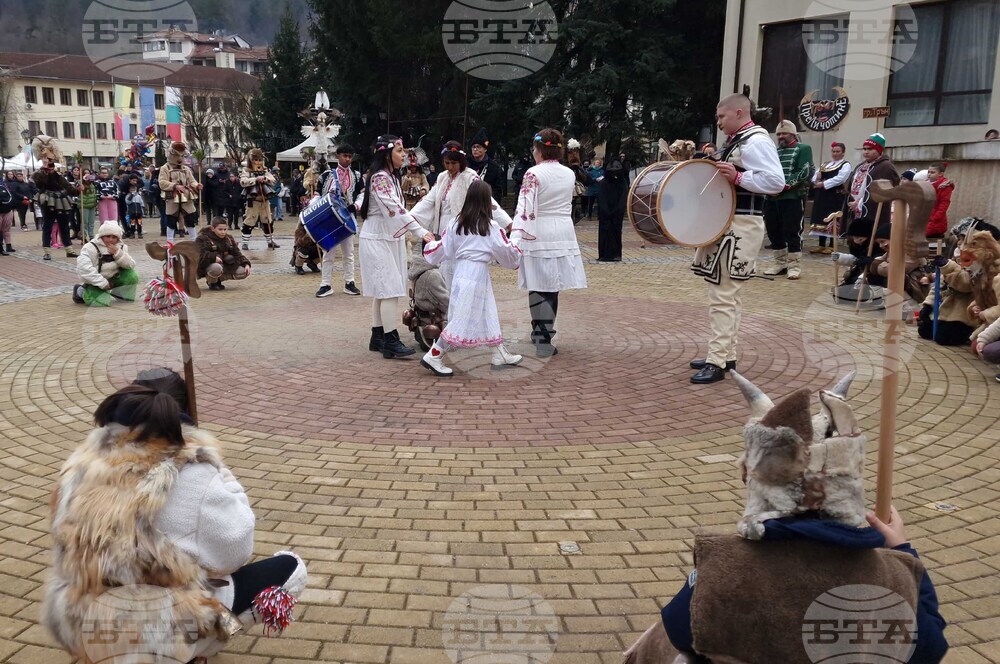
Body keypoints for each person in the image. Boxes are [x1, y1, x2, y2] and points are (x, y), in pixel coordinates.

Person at [626, 372, 948, 664]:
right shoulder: (890, 576)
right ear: (848, 483)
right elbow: (929, 648)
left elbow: (681, 630)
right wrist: (904, 553)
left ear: (757, 483)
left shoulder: (726, 567)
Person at [42, 368, 307, 663]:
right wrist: (224, 478)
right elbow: (235, 551)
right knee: (290, 568)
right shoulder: (195, 471)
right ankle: (187, 651)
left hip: (78, 619)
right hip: (153, 631)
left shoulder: (81, 459)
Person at [689, 94, 784, 383]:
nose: (718, 122)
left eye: (722, 117)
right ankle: (726, 355)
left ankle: (717, 361)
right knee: (727, 294)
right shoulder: (739, 140)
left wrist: (739, 178)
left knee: (723, 296)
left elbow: (775, 182)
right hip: (730, 224)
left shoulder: (756, 141)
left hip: (741, 225)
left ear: (739, 113)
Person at [420, 180, 523, 376]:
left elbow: (444, 248)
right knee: (462, 317)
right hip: (477, 273)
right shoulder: (490, 226)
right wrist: (518, 239)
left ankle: (499, 353)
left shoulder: (455, 223)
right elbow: (506, 251)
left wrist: (430, 245)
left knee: (486, 311)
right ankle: (434, 354)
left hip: (461, 272)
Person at [509, 128, 588, 357]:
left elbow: (525, 209)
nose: (533, 153)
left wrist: (515, 239)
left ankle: (542, 336)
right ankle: (543, 332)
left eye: (534, 148)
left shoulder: (533, 173)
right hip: (563, 231)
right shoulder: (568, 173)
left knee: (538, 284)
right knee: (553, 286)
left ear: (541, 149)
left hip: (539, 231)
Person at [357, 135, 435, 358]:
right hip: (378, 238)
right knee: (388, 289)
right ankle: (390, 339)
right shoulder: (380, 178)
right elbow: (396, 210)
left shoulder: (389, 177)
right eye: (400, 151)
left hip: (386, 237)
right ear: (386, 154)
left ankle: (378, 336)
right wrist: (421, 231)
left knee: (382, 290)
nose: (404, 155)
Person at [410, 140, 513, 288]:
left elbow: (486, 200)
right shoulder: (442, 177)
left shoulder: (470, 177)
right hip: (443, 229)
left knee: (459, 271)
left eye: (454, 163)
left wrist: (507, 223)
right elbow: (429, 200)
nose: (450, 167)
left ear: (461, 161)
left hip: (463, 229)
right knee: (445, 270)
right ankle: (447, 300)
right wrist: (410, 218)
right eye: (447, 163)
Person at [762, 120, 813, 280]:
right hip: (772, 197)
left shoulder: (803, 148)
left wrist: (784, 186)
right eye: (778, 134)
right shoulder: (775, 151)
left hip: (792, 196)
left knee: (792, 231)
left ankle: (794, 266)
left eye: (784, 133)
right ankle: (780, 264)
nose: (781, 136)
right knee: (773, 230)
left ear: (793, 134)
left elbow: (804, 171)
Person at [315, 143, 363, 298]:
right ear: (337, 156)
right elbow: (317, 195)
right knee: (328, 252)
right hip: (329, 219)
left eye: (350, 156)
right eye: (344, 156)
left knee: (349, 253)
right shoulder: (326, 175)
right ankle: (325, 284)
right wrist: (312, 207)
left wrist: (356, 205)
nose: (347, 159)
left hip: (348, 218)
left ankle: (350, 282)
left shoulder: (356, 176)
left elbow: (362, 194)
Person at [31, 135, 80, 260]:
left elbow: (68, 187)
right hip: (48, 202)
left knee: (64, 226)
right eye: (49, 166)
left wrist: (78, 190)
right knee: (47, 226)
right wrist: (44, 168)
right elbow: (39, 183)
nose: (51, 168)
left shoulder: (59, 176)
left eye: (52, 166)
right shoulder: (39, 174)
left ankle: (69, 250)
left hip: (62, 201)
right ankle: (47, 251)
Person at [72, 220, 138, 306]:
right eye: (108, 236)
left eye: (114, 237)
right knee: (101, 302)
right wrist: (102, 283)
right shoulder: (90, 248)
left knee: (131, 275)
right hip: (96, 281)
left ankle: (120, 295)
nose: (111, 240)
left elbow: (131, 265)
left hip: (114, 278)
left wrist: (118, 253)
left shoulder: (121, 247)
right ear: (102, 236)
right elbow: (84, 269)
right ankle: (80, 291)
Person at [847, 133, 899, 233]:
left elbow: (885, 190)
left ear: (879, 150)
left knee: (869, 235)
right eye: (864, 149)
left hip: (873, 210)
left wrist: (859, 203)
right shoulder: (861, 166)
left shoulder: (886, 166)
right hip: (855, 209)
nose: (866, 152)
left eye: (870, 149)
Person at [809, 142, 851, 254]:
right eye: (833, 151)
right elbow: (815, 176)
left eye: (838, 151)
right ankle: (821, 244)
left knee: (833, 218)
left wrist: (824, 184)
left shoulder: (845, 165)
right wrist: (816, 179)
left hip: (834, 195)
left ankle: (832, 245)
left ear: (843, 153)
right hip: (822, 195)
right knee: (821, 217)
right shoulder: (825, 164)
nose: (835, 154)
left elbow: (841, 178)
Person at [158, 141, 203, 242]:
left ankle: (194, 241)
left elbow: (192, 181)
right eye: (177, 156)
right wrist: (175, 186)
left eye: (182, 156)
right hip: (172, 198)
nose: (179, 159)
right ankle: (170, 242)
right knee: (171, 221)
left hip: (186, 198)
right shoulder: (165, 168)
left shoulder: (186, 169)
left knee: (190, 220)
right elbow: (162, 182)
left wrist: (197, 185)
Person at [196, 217, 251, 291]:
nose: (223, 232)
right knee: (216, 268)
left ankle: (218, 279)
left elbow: (237, 253)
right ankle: (212, 282)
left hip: (225, 265)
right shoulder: (202, 239)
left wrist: (246, 263)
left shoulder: (229, 239)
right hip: (208, 265)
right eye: (220, 229)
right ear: (213, 229)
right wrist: (213, 257)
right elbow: (199, 254)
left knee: (243, 271)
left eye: (225, 229)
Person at [240, 148, 279, 249]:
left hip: (265, 200)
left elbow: (273, 180)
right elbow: (243, 182)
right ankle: (245, 242)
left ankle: (270, 241)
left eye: (259, 160)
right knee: (249, 221)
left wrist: (265, 179)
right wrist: (255, 179)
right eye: (255, 160)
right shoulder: (246, 170)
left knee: (267, 221)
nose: (258, 162)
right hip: (253, 200)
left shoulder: (265, 170)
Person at [596, 159, 627, 262]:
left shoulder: (622, 183)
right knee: (605, 232)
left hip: (616, 213)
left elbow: (623, 198)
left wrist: (618, 210)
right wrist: (605, 210)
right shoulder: (604, 183)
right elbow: (601, 198)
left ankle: (616, 254)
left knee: (616, 232)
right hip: (605, 214)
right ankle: (604, 254)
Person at [468, 128, 505, 201]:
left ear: (485, 149)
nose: (475, 149)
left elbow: (497, 190)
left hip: (485, 202)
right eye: (473, 147)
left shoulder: (494, 168)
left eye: (478, 147)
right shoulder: (466, 163)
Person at [925, 162, 954, 239]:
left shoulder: (944, 186)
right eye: (928, 172)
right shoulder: (926, 183)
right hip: (925, 217)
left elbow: (944, 204)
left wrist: (934, 218)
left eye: (932, 172)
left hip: (935, 220)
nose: (929, 174)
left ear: (941, 174)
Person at [79, 173, 98, 242]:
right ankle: (83, 236)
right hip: (84, 205)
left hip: (92, 205)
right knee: (85, 222)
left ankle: (91, 236)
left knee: (91, 222)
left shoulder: (93, 185)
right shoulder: (81, 184)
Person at [0, 173, 15, 255]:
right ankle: (1, 248)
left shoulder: (4, 185)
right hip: (4, 210)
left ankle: (8, 246)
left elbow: (11, 196)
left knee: (6, 230)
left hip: (7, 210)